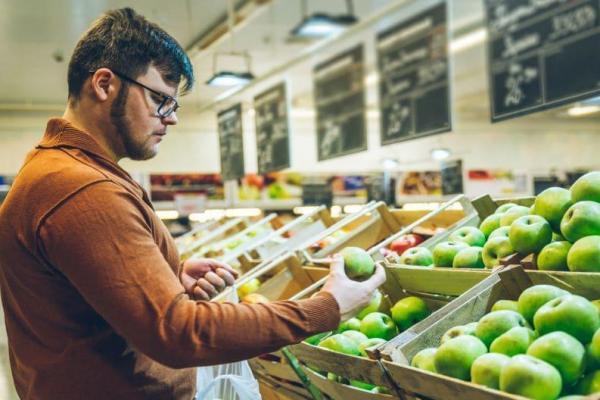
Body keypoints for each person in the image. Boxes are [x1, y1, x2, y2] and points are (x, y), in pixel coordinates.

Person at [0, 8, 385, 400]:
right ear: (104, 84)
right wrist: (326, 307)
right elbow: (179, 332)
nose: (171, 119)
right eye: (159, 100)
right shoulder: (81, 188)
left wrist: (167, 275)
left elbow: (82, 296)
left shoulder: (54, 168)